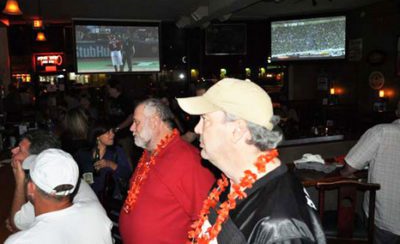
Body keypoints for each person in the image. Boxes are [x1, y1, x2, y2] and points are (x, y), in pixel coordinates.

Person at [177, 78, 326, 243]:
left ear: (237, 130)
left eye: (205, 119)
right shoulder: (230, 181)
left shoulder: (279, 228)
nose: (197, 129)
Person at [119, 98, 215, 244]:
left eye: (137, 122)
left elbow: (210, 218)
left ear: (154, 121)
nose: (131, 128)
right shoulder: (149, 153)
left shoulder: (187, 159)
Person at [5, 149, 113, 244]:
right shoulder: (96, 212)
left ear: (31, 188)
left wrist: (19, 181)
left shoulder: (19, 241)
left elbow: (17, 223)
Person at [6, 130, 99, 232]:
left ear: (38, 160)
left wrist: (19, 181)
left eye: (19, 150)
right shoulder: (61, 174)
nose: (13, 151)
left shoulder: (46, 185)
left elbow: (17, 224)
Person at [340, 101, 400, 244]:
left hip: (385, 220)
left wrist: (343, 173)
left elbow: (350, 167)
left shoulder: (381, 132)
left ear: (397, 112)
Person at [75, 121, 132, 201]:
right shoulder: (83, 154)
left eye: (112, 131)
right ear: (97, 136)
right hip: (88, 199)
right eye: (108, 132)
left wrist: (110, 164)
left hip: (111, 201)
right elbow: (75, 175)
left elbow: (128, 173)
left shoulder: (117, 151)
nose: (112, 134)